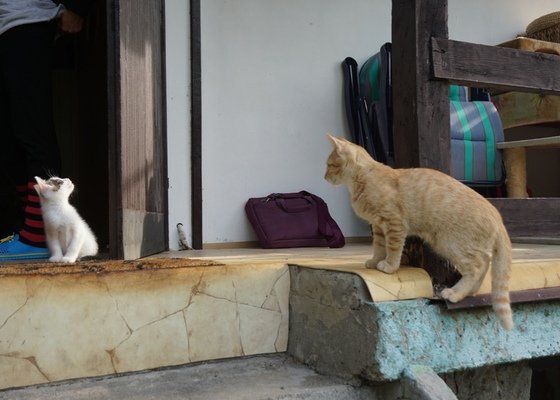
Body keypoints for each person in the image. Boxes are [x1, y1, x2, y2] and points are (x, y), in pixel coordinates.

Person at [0, 0, 92, 261]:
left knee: (33, 131)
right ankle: (28, 230)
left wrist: (68, 7)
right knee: (9, 141)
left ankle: (39, 237)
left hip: (27, 22)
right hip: (6, 28)